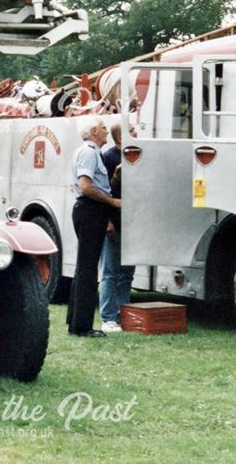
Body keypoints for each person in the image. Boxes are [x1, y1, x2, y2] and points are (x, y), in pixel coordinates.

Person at [66, 116, 121, 338]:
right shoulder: (89, 152)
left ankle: (75, 321)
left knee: (84, 267)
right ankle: (82, 327)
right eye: (104, 129)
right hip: (90, 211)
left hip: (88, 211)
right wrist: (112, 201)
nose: (107, 132)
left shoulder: (89, 151)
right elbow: (86, 186)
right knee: (88, 270)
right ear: (94, 131)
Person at [99, 122, 135, 333]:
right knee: (110, 272)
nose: (136, 133)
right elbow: (104, 192)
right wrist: (108, 222)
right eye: (131, 131)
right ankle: (108, 318)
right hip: (115, 221)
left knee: (127, 273)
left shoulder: (136, 156)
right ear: (120, 138)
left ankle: (124, 315)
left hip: (132, 224)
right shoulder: (109, 158)